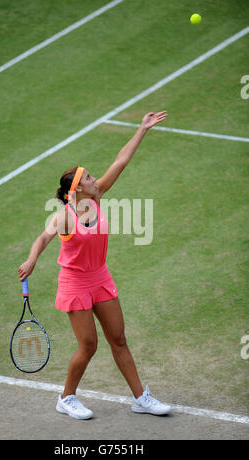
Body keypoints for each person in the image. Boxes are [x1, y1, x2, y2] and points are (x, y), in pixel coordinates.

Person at [18, 111, 171, 420]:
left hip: (100, 277)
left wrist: (142, 129)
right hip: (75, 284)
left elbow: (121, 162)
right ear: (76, 189)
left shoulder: (96, 197)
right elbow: (42, 239)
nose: (94, 179)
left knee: (119, 339)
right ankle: (67, 397)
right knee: (88, 346)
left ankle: (141, 398)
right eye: (88, 178)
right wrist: (32, 258)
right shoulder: (63, 216)